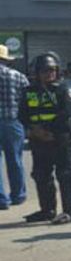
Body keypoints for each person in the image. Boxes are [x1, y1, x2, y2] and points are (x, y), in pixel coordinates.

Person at [20, 54, 71, 224]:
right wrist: (34, 130)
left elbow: (66, 113)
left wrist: (47, 130)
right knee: (41, 175)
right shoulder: (29, 91)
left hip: (60, 138)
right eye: (45, 70)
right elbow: (22, 114)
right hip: (38, 140)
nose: (49, 73)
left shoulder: (63, 89)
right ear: (37, 72)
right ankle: (47, 210)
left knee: (66, 174)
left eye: (52, 70)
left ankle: (70, 211)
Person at [0, 44, 29, 211]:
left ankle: (1, 199)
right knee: (15, 159)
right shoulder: (18, 76)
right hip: (13, 121)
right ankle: (18, 195)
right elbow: (27, 100)